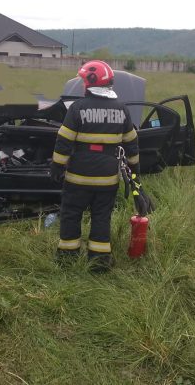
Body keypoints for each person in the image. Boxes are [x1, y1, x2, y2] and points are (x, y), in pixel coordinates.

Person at [50, 60, 140, 272]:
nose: (82, 85)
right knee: (102, 217)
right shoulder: (122, 109)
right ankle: (99, 262)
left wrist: (57, 166)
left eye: (83, 81)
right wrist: (135, 171)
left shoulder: (78, 108)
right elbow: (132, 144)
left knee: (71, 214)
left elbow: (64, 141)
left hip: (78, 176)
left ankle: (67, 259)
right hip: (108, 178)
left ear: (90, 83)